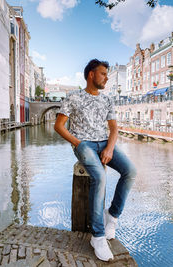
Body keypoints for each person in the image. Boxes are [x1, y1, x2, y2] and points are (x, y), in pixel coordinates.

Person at [54, 59, 136, 262]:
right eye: (103, 74)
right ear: (91, 74)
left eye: (107, 74)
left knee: (130, 171)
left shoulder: (107, 100)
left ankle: (113, 216)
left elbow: (114, 128)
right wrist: (78, 143)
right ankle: (97, 236)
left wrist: (109, 147)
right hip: (84, 144)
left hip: (104, 143)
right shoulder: (73, 97)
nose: (107, 78)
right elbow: (59, 126)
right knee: (99, 176)